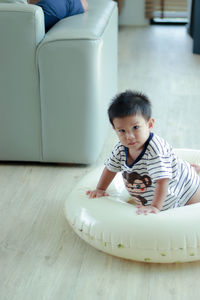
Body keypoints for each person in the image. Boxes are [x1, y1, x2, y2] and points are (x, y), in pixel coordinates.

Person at [86, 90, 200, 215]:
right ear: (115, 129)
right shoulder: (120, 149)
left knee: (193, 209)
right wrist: (100, 189)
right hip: (149, 188)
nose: (129, 136)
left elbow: (162, 181)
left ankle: (188, 170)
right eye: (122, 131)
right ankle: (185, 167)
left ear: (149, 124)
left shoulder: (155, 151)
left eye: (135, 128)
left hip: (186, 188)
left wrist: (155, 206)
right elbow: (110, 168)